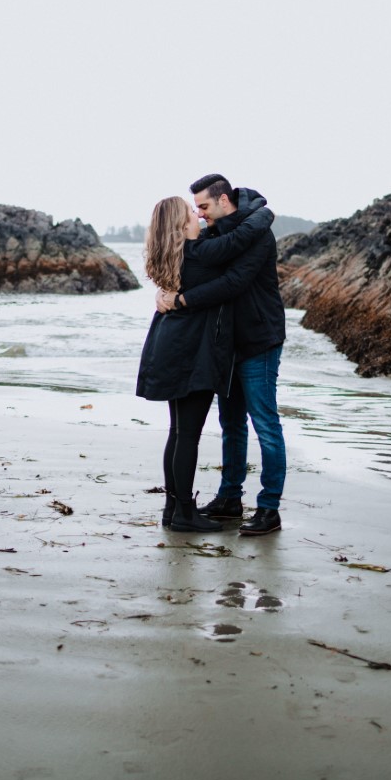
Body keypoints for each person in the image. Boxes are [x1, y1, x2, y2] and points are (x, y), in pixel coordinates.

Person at [156, 175, 287, 536]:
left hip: (259, 339)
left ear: (225, 200)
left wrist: (179, 300)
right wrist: (167, 288)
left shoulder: (257, 232)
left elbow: (234, 281)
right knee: (231, 425)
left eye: (204, 206)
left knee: (266, 425)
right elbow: (195, 264)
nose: (199, 214)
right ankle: (230, 496)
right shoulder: (217, 233)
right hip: (224, 344)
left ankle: (269, 508)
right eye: (195, 208)